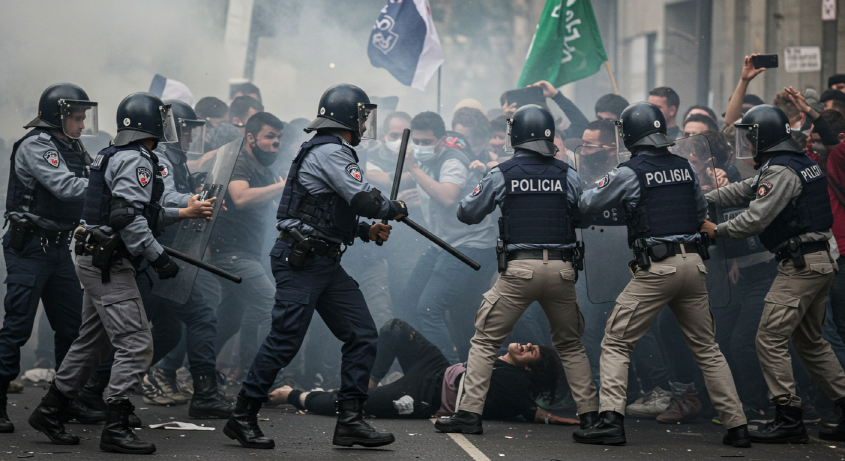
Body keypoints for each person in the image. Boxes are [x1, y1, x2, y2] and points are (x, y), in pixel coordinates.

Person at [224, 83, 407, 450]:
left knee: (362, 333)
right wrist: (391, 208)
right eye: (362, 116)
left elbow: (328, 212)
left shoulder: (329, 151)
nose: (365, 125)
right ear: (348, 117)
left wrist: (366, 230)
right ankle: (242, 417)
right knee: (284, 340)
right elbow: (361, 196)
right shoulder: (330, 150)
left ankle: (351, 421)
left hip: (323, 260)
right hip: (302, 261)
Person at [28, 92, 213, 454]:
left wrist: (183, 213)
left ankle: (50, 410)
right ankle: (116, 424)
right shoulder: (136, 160)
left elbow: (140, 211)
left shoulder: (119, 153)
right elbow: (127, 217)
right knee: (137, 343)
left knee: (92, 342)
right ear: (150, 123)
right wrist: (159, 257)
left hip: (98, 258)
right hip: (109, 263)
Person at [572, 102, 748, 447]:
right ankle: (737, 425)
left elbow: (587, 203)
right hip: (693, 265)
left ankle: (610, 420)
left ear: (632, 137)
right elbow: (700, 211)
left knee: (616, 341)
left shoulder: (629, 171)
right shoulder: (684, 168)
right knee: (707, 348)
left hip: (657, 268)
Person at [434, 104, 599, 435]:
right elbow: (585, 215)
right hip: (562, 270)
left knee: (484, 341)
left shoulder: (502, 173)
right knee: (569, 344)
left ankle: (468, 414)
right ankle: (594, 418)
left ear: (516, 137)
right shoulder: (567, 173)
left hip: (519, 270)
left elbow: (467, 212)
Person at [701, 104, 845, 443]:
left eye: (749, 138)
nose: (747, 145)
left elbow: (755, 218)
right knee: (810, 342)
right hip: (817, 260)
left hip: (802, 265)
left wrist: (715, 229)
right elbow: (746, 189)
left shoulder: (781, 170)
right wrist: (702, 195)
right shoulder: (794, 163)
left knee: (768, 338)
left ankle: (788, 416)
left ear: (761, 137)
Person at [0, 83, 101, 432]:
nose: (83, 124)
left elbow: (89, 178)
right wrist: (114, 184)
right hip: (28, 248)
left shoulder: (72, 145)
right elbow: (67, 187)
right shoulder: (37, 145)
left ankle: (64, 402)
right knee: (17, 327)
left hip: (58, 248)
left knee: (72, 327)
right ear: (58, 115)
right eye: (77, 117)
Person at [271, 319, 574, 425]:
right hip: (436, 369)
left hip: (424, 397)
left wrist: (568, 419)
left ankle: (294, 397)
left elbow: (532, 412)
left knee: (353, 406)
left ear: (531, 367)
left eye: (531, 351)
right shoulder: (501, 359)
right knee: (396, 328)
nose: (527, 345)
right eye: (531, 344)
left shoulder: (517, 384)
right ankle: (367, 384)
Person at [136, 99, 233, 418]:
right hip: (151, 257)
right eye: (186, 131)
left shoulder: (174, 157)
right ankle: (100, 388)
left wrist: (204, 200)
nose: (191, 138)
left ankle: (107, 387)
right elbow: (163, 197)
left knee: (168, 331)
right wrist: (194, 201)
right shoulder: (160, 156)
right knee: (138, 333)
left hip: (164, 256)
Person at [402, 111, 498, 364]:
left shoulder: (452, 160)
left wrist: (411, 167)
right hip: (444, 245)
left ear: (442, 140)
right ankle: (426, 365)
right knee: (410, 299)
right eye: (417, 142)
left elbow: (447, 197)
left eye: (427, 142)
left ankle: (449, 375)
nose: (421, 147)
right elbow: (402, 179)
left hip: (472, 246)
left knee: (429, 309)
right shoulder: (425, 161)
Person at [208, 112, 286, 382]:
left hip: (247, 252)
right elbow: (239, 197)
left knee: (229, 317)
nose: (276, 143)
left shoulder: (266, 168)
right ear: (251, 137)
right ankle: (264, 379)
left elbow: (276, 208)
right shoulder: (240, 162)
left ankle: (192, 371)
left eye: (279, 138)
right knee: (270, 306)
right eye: (270, 136)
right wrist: (281, 187)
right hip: (231, 253)